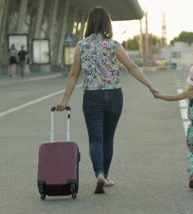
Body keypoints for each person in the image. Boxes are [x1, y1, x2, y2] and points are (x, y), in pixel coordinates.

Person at [55, 6, 159, 194]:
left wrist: (64, 100)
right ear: (106, 24)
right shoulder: (113, 45)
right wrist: (150, 86)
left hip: (92, 96)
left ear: (89, 24)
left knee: (95, 139)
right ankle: (106, 175)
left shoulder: (81, 46)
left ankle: (99, 174)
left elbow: (73, 74)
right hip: (114, 95)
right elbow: (132, 67)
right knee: (108, 138)